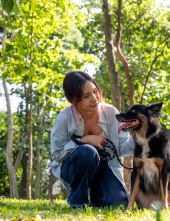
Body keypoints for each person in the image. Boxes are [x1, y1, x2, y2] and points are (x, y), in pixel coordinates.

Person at [50, 71, 134, 208]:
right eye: (86, 96)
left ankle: (97, 199)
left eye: (95, 91)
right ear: (74, 100)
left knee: (119, 205)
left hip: (104, 167)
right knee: (87, 152)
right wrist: (83, 140)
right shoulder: (64, 118)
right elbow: (56, 154)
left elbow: (121, 148)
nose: (94, 98)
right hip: (73, 170)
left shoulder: (111, 113)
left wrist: (141, 135)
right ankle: (78, 202)